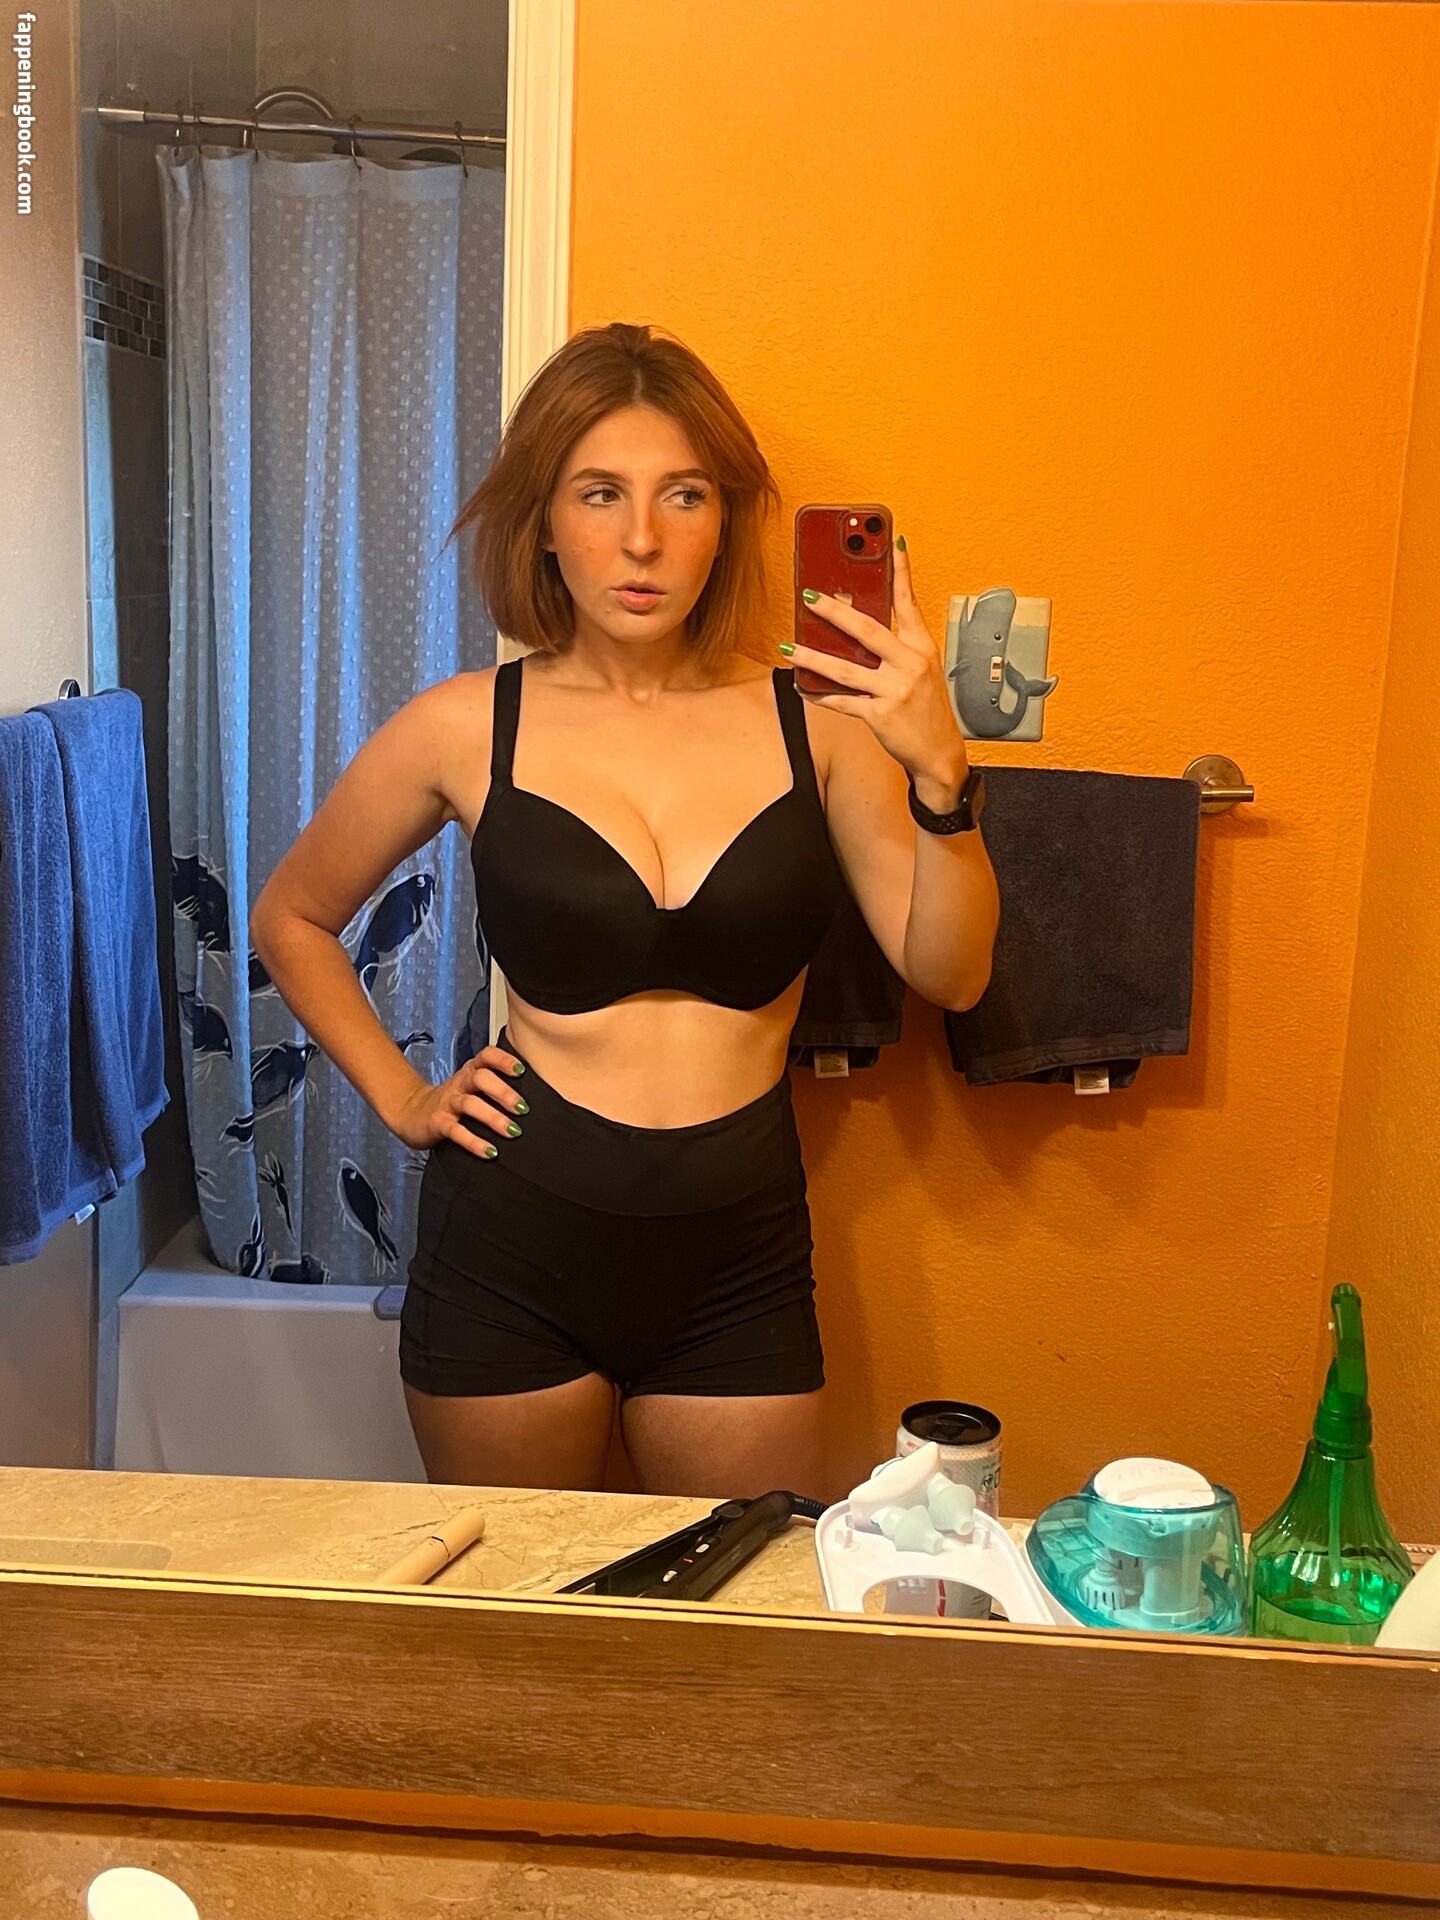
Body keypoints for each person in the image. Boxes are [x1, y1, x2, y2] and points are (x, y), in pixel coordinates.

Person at [251, 321, 999, 1501]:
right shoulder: (464, 725)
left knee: (732, 1599)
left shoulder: (821, 725)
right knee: (517, 1600)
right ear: (546, 522)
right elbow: (291, 917)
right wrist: (404, 1097)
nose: (642, 538)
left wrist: (943, 774)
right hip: (509, 1249)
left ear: (725, 521)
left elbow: (951, 973)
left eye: (683, 495)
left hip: (739, 1265)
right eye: (600, 493)